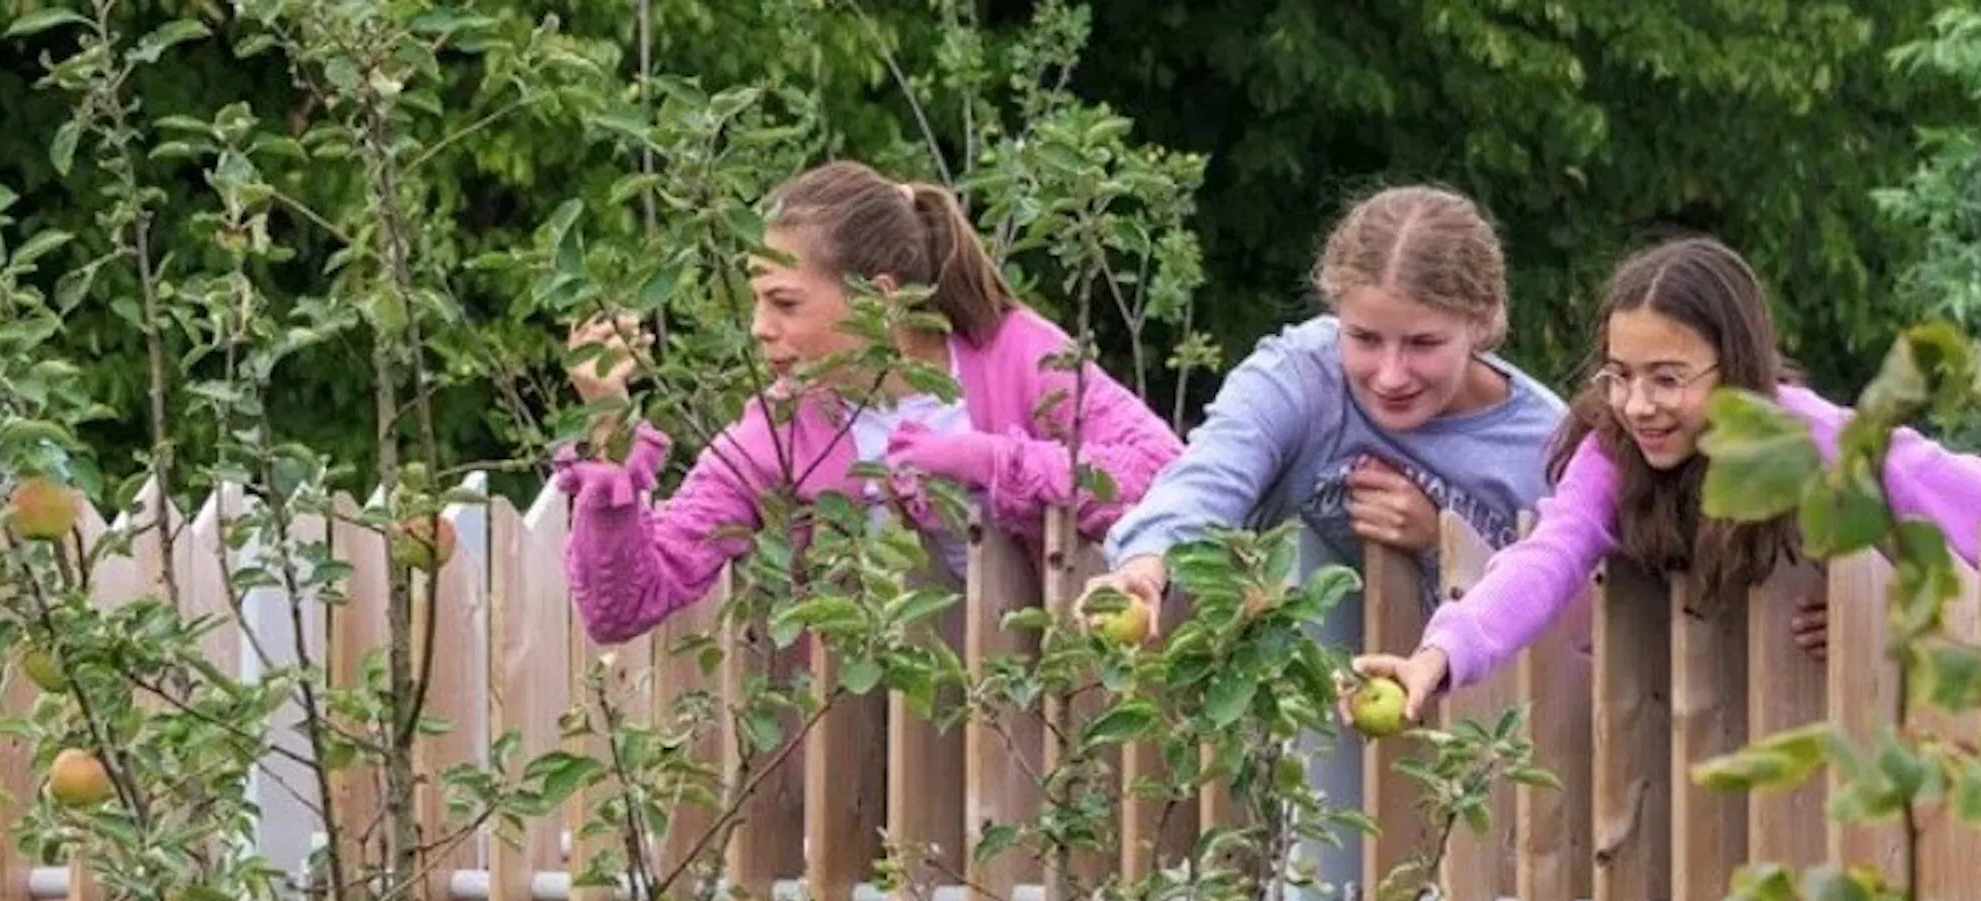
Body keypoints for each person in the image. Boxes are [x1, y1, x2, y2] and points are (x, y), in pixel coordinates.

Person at [1348, 235, 1981, 720]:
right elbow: (1548, 554)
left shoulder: (1809, 438)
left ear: (1737, 370)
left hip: (1826, 731)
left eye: (1668, 379)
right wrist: (1439, 658)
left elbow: (1974, 507)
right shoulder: (1611, 448)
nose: (1638, 405)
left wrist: (1908, 611)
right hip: (1650, 725)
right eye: (1620, 376)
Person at [552, 161, 1182, 645]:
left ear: (878, 296)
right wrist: (608, 422)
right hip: (859, 771)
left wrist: (985, 460)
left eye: (785, 302)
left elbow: (1168, 478)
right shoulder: (778, 428)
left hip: (1043, 740)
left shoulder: (1017, 353)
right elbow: (623, 606)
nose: (759, 328)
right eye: (757, 302)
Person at [1082, 185, 1562, 619]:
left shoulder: (1546, 444)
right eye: (1365, 338)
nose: (1391, 376)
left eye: (1423, 344)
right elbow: (1208, 479)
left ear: (1480, 322)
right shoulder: (1298, 376)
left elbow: (1572, 623)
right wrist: (1143, 568)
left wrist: (1445, 544)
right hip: (1277, 693)